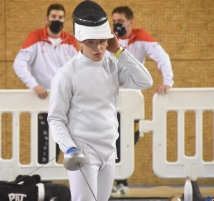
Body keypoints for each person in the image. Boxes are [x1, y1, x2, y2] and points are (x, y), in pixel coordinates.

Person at [47, 1, 153, 201]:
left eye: (102, 41)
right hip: (83, 152)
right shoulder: (66, 74)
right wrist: (69, 148)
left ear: (110, 38)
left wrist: (119, 51)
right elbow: (55, 118)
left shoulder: (113, 64)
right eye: (90, 42)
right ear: (79, 41)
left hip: (109, 149)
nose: (98, 47)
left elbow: (145, 81)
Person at [110, 6, 174, 195]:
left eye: (120, 22)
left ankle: (121, 182)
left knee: (129, 139)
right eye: (114, 21)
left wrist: (167, 81)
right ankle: (120, 183)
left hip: (132, 103)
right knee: (112, 140)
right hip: (111, 100)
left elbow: (163, 57)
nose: (116, 25)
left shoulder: (141, 37)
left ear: (130, 22)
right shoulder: (108, 38)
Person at [12, 4, 79, 164]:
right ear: (47, 19)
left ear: (64, 20)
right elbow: (19, 64)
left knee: (66, 140)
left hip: (66, 99)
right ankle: (43, 182)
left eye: (60, 18)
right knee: (45, 141)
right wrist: (34, 85)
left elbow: (78, 68)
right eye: (54, 17)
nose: (57, 20)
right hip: (43, 101)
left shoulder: (70, 41)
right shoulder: (35, 37)